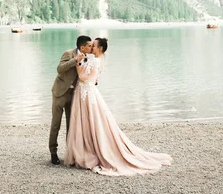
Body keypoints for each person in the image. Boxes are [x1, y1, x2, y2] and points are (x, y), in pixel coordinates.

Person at [65, 37, 172, 176]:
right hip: (89, 92)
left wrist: (78, 63)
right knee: (90, 121)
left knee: (86, 121)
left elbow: (82, 77)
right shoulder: (100, 60)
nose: (91, 48)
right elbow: (94, 78)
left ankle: (86, 151)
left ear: (100, 48)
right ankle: (85, 149)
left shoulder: (94, 60)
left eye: (94, 46)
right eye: (90, 46)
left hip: (86, 92)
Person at [48, 35, 92, 165]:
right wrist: (75, 61)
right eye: (89, 46)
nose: (91, 48)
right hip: (60, 93)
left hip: (73, 95)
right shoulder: (69, 53)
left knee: (71, 125)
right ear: (82, 47)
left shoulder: (87, 58)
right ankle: (53, 152)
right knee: (56, 124)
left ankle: (70, 153)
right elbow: (59, 69)